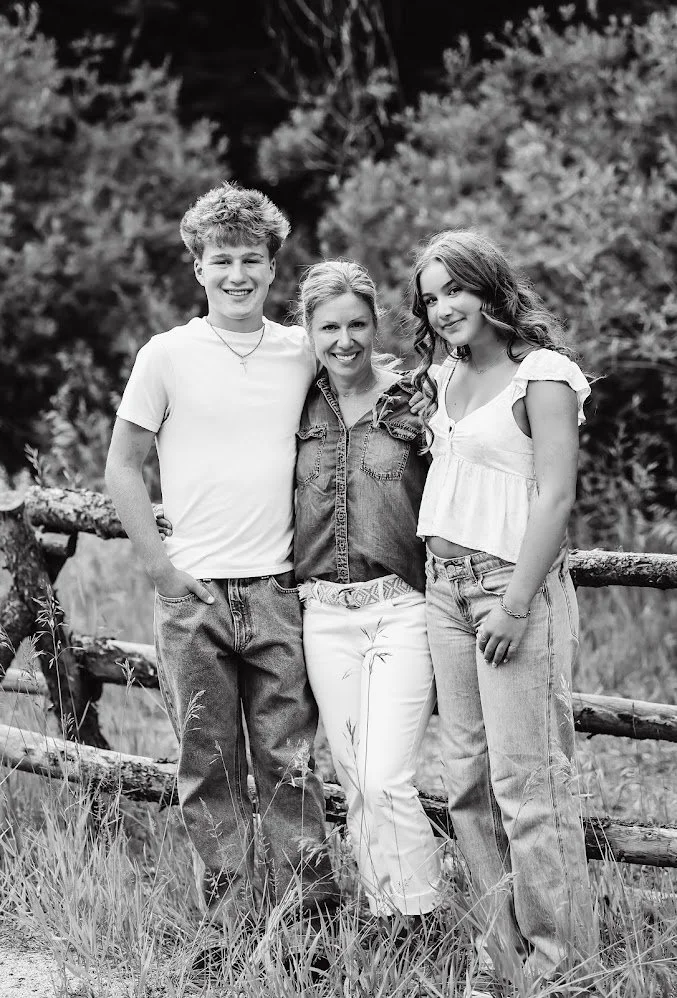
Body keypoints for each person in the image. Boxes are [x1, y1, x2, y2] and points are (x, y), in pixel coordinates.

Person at [104, 182, 339, 942]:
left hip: (278, 591)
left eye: (252, 260)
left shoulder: (301, 352)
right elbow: (121, 466)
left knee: (288, 762)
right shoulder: (167, 355)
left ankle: (303, 929)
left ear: (274, 267)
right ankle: (227, 932)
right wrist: (162, 569)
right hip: (193, 596)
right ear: (196, 267)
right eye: (221, 260)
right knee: (206, 768)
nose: (237, 274)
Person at [411, 230, 598, 987]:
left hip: (506, 591)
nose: (443, 306)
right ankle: (503, 960)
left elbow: (554, 495)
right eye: (429, 297)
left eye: (454, 288)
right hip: (443, 589)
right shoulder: (439, 377)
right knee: (465, 785)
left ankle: (559, 969)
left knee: (530, 788)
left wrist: (516, 604)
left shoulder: (543, 375)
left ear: (488, 288)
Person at [293, 260, 444, 923]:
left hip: (400, 608)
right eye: (329, 327)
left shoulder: (413, 397)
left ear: (375, 321)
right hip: (322, 614)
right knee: (354, 780)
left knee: (387, 777)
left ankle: (419, 916)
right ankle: (385, 918)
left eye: (357, 323)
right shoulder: (294, 404)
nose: (344, 340)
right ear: (308, 329)